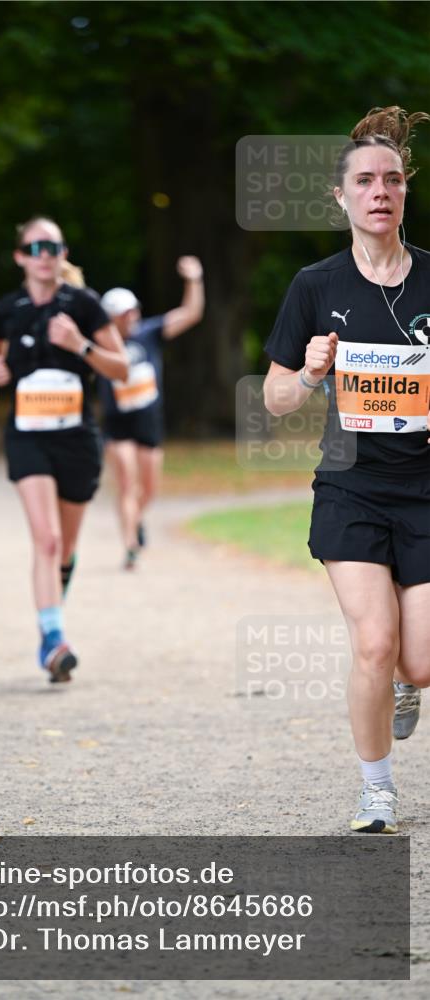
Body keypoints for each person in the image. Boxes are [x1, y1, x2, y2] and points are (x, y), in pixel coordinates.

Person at [263, 107, 430, 834]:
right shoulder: (312, 285)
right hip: (350, 486)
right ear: (341, 196)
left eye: (391, 179)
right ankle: (375, 790)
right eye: (364, 180)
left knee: (417, 663)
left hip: (424, 489)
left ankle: (403, 683)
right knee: (371, 640)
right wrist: (305, 372)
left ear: (404, 192)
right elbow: (272, 399)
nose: (379, 191)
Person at [0, 216, 128, 682]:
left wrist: (80, 344)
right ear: (21, 256)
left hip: (76, 439)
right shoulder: (6, 309)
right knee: (44, 540)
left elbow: (122, 369)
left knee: (64, 548)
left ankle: (51, 622)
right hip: (27, 436)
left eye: (54, 246)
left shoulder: (84, 305)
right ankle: (53, 639)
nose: (46, 254)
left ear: (63, 255)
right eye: (36, 246)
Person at [99, 257, 205, 569]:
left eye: (133, 310)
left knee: (148, 489)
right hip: (117, 424)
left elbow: (191, 314)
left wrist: (194, 279)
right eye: (123, 313)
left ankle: (136, 521)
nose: (130, 316)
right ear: (111, 318)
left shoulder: (149, 333)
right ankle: (130, 545)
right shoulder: (102, 342)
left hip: (149, 422)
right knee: (125, 483)